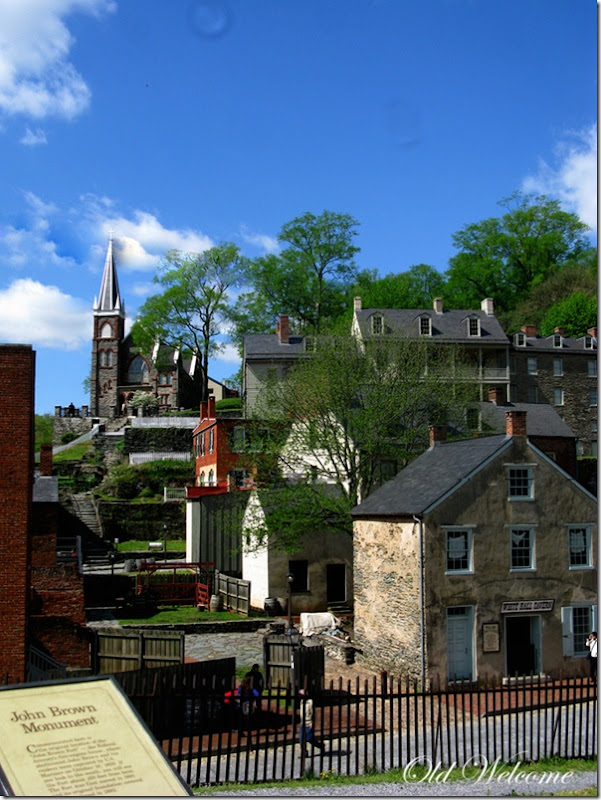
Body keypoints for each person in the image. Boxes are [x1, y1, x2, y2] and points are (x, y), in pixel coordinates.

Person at [297, 688, 323, 758]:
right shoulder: (302, 701)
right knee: (301, 738)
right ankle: (304, 752)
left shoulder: (310, 702)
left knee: (309, 738)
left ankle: (320, 745)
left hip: (309, 722)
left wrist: (312, 722)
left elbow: (313, 713)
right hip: (303, 722)